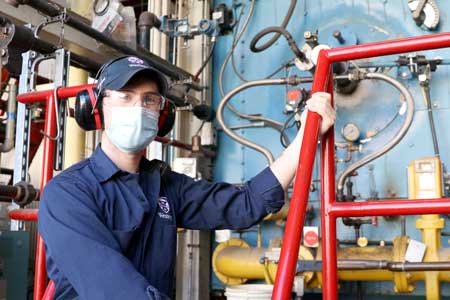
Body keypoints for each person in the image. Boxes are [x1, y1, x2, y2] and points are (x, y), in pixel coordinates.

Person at [38, 56, 336, 300]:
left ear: (162, 115)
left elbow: (244, 204)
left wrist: (306, 138)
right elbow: (115, 290)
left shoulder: (165, 185)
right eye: (125, 97)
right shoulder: (67, 194)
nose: (139, 109)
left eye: (149, 99)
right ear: (97, 108)